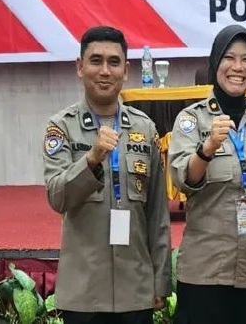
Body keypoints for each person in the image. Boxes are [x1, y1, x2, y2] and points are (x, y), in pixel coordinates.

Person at [43, 26, 171, 324]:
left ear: (126, 71)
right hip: (84, 293)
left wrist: (160, 280)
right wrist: (92, 159)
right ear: (80, 67)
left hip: (135, 290)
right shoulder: (61, 127)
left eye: (114, 62)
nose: (104, 71)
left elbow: (158, 215)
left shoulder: (144, 128)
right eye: (95, 60)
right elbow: (57, 196)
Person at [168, 25, 246, 324]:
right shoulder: (191, 120)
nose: (238, 67)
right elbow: (182, 180)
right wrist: (207, 149)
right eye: (229, 58)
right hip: (205, 271)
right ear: (215, 63)